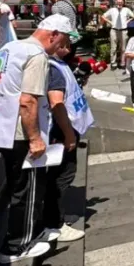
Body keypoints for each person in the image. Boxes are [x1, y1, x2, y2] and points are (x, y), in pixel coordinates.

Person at [0, 14, 77, 263]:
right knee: (28, 189)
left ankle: (28, 235)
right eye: (63, 41)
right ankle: (18, 245)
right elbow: (28, 100)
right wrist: (35, 138)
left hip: (3, 126)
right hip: (21, 132)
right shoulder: (37, 55)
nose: (62, 47)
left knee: (19, 186)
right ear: (53, 35)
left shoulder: (9, 47)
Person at [44, 43, 93, 245]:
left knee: (63, 175)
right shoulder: (53, 68)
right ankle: (54, 223)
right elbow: (57, 103)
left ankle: (55, 218)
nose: (69, 48)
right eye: (64, 44)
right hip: (60, 130)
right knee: (61, 175)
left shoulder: (60, 64)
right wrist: (68, 134)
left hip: (66, 128)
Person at [101, 0, 130, 75]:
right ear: (116, 3)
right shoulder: (112, 10)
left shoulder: (126, 10)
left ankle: (122, 63)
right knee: (113, 48)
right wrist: (110, 22)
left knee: (123, 48)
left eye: (121, 2)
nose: (119, 3)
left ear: (123, 3)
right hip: (114, 30)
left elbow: (133, 16)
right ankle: (113, 64)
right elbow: (103, 16)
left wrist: (127, 21)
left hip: (123, 31)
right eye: (118, 2)